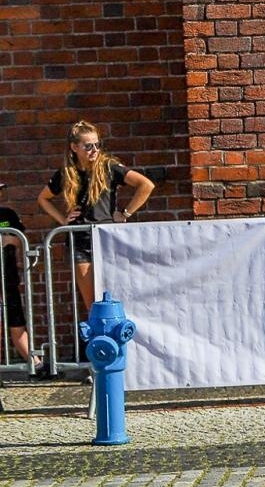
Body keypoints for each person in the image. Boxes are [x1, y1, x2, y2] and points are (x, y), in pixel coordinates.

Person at [36, 121, 156, 315]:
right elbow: (43, 198)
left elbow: (146, 185)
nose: (94, 150)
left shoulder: (109, 167)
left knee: (115, 295)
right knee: (92, 303)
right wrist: (63, 220)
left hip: (106, 238)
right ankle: (98, 333)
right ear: (74, 147)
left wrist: (125, 213)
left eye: (97, 145)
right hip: (80, 240)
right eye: (88, 146)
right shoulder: (67, 172)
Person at [0, 188, 40, 374]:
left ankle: (36, 364)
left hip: (8, 278)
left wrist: (11, 240)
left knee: (17, 323)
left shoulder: (8, 214)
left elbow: (23, 240)